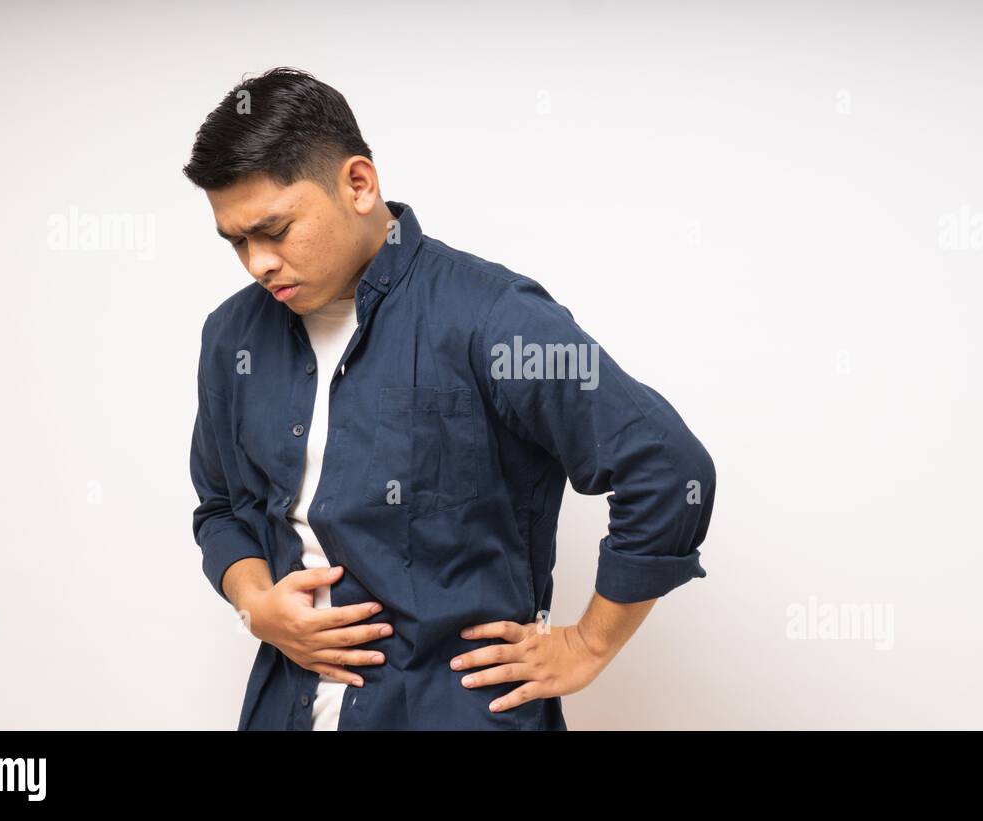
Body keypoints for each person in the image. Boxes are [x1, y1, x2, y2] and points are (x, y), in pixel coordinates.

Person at [184, 67, 716, 730]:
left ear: (357, 183)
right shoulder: (232, 336)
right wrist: (254, 600)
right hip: (282, 710)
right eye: (237, 242)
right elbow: (221, 506)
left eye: (275, 230)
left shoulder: (491, 316)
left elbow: (667, 467)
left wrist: (588, 643)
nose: (257, 262)